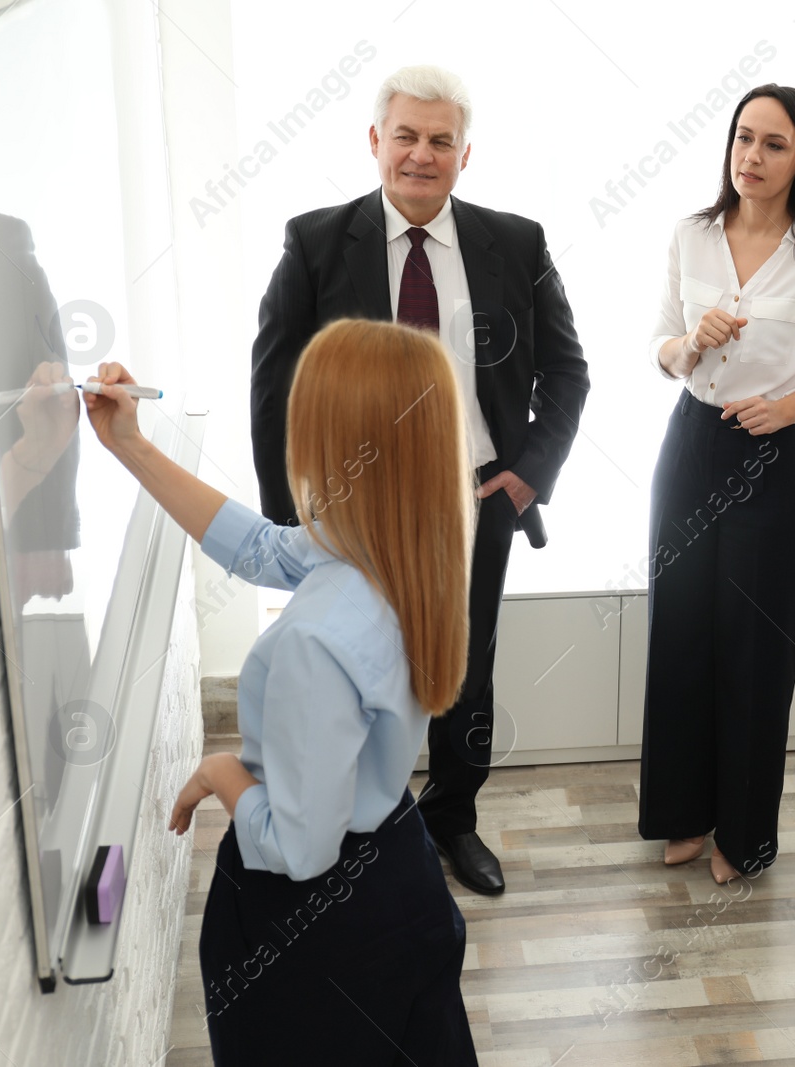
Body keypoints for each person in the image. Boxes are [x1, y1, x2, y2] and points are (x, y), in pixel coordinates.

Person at [84, 321, 479, 1064]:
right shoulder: (414, 545)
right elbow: (263, 547)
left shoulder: (313, 643)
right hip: (399, 871)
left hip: (318, 928)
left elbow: (299, 846)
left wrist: (221, 773)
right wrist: (131, 446)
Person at [249, 65, 590, 896]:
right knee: (364, 666)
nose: (421, 155)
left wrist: (526, 476)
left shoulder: (517, 243)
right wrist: (290, 524)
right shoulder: (315, 242)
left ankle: (453, 818)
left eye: (441, 140)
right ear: (376, 141)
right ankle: (366, 821)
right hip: (350, 512)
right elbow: (273, 389)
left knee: (464, 672)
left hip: (475, 501)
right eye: (405, 135)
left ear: (465, 154)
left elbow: (568, 371)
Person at [637, 84, 795, 885]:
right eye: (742, 138)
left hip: (775, 459)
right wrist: (687, 344)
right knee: (683, 628)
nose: (752, 157)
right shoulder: (692, 235)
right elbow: (661, 346)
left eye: (772, 144)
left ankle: (744, 831)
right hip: (692, 445)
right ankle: (681, 813)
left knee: (757, 649)